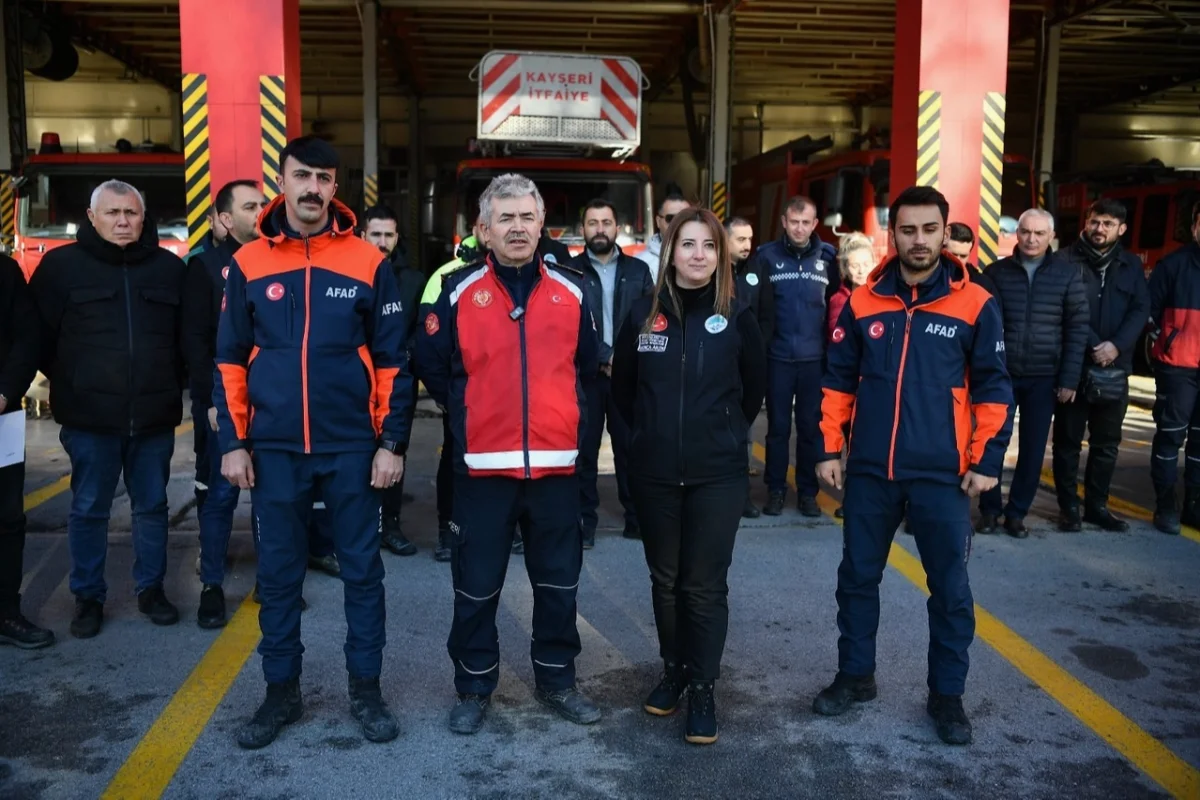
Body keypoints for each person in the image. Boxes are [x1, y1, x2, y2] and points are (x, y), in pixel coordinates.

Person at [214, 135, 414, 749]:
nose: (312, 188)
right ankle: (281, 692)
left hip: (352, 446)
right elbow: (229, 359)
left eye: (324, 178)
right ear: (282, 180)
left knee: (363, 574)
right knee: (278, 578)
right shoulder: (248, 262)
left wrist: (391, 443)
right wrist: (233, 441)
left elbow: (393, 362)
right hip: (274, 448)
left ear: (335, 187)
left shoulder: (368, 261)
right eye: (302, 175)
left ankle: (366, 691)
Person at [814, 185, 1013, 747]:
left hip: (943, 474)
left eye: (929, 230)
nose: (919, 240)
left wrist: (986, 459)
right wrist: (828, 447)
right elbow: (838, 380)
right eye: (908, 230)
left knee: (949, 590)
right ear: (893, 234)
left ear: (945, 233)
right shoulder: (863, 301)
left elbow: (995, 388)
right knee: (857, 579)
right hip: (871, 470)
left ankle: (947, 696)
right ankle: (856, 676)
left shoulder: (977, 303)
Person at [416, 172, 602, 736]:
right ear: (484, 229)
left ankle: (557, 680)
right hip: (481, 473)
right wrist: (471, 414)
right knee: (476, 587)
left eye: (526, 217)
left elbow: (587, 367)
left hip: (556, 470)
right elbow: (431, 364)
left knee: (558, 585)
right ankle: (474, 686)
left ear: (542, 225)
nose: (517, 227)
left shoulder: (575, 288)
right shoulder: (456, 290)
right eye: (506, 218)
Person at [612, 207, 766, 745]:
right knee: (665, 582)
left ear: (720, 255)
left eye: (708, 245)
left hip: (717, 476)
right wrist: (642, 442)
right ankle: (673, 671)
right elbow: (623, 393)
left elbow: (753, 391)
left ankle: (702, 686)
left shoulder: (738, 315)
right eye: (687, 244)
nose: (698, 254)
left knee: (702, 586)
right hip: (654, 474)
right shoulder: (642, 313)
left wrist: (722, 433)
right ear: (670, 252)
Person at [30, 179, 188, 639]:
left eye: (131, 213)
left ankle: (151, 590)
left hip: (153, 417)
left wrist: (166, 381)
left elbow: (186, 340)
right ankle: (88, 597)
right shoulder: (60, 268)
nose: (123, 221)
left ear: (143, 218)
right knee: (88, 509)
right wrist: (77, 379)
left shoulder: (168, 269)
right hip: (89, 418)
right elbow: (39, 339)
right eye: (113, 213)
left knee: (152, 506)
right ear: (92, 217)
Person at [182, 179, 268, 628]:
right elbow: (196, 343)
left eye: (263, 204)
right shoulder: (206, 268)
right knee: (220, 496)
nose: (261, 211)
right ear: (226, 219)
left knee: (270, 498)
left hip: (272, 403)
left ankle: (270, 583)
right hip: (224, 403)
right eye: (250, 206)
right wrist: (210, 402)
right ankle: (212, 587)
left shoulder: (277, 259)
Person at [980, 209, 1089, 537]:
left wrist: (1069, 379)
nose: (1031, 239)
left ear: (1051, 237)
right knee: (991, 442)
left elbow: (1077, 328)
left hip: (1045, 377)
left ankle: (1016, 514)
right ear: (1017, 233)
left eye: (1039, 233)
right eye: (1025, 232)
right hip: (1002, 374)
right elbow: (982, 326)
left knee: (1032, 448)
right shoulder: (996, 273)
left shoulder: (1067, 275)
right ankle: (989, 511)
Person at [1052, 199, 1149, 533]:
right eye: (1095, 221)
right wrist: (1095, 345)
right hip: (1075, 366)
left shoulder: (1131, 264)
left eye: (1108, 223)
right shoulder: (1065, 260)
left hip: (1114, 369)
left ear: (1121, 229)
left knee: (1106, 444)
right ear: (1086, 222)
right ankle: (1069, 508)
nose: (1099, 228)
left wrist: (1116, 346)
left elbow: (1141, 309)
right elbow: (1063, 309)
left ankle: (1097, 507)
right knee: (1067, 442)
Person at [571, 198, 652, 547]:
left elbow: (650, 320)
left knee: (631, 450)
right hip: (586, 377)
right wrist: (605, 355)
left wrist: (624, 357)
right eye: (593, 223)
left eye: (606, 222)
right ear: (583, 229)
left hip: (627, 376)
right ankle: (584, 523)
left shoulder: (639, 271)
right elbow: (568, 325)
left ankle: (636, 518)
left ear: (617, 228)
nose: (600, 229)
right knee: (584, 452)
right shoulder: (570, 271)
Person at [755, 196, 841, 517]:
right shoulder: (766, 257)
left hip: (813, 361)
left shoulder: (828, 258)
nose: (800, 229)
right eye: (794, 222)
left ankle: (807, 493)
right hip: (777, 359)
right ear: (784, 222)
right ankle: (776, 490)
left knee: (809, 429)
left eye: (806, 223)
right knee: (777, 428)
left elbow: (837, 305)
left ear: (815, 224)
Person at [418, 224, 486, 563]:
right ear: (479, 228)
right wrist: (448, 397)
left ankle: (507, 530)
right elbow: (428, 348)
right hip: (463, 399)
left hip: (509, 401)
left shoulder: (527, 272)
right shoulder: (446, 277)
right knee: (455, 465)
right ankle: (449, 531)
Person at [361, 203, 423, 557]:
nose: (382, 242)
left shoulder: (414, 281)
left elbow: (420, 333)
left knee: (394, 450)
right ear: (362, 235)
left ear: (397, 237)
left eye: (388, 235)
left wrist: (404, 359)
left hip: (398, 381)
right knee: (353, 455)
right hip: (354, 382)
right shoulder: (346, 275)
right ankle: (352, 529)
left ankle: (390, 526)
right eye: (376, 234)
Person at [0, 253, 54, 649]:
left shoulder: (4, 272)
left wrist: (5, 392)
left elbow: (28, 337)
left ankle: (6, 613)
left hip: (1, 417)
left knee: (7, 520)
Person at [1148, 199, 1200, 534]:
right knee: (1170, 438)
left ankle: (1194, 506)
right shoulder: (1173, 265)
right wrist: (1167, 344)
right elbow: (1148, 312)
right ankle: (1166, 506)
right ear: (1195, 227)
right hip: (1178, 367)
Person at [827, 232, 875, 521]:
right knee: (853, 445)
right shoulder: (838, 301)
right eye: (854, 265)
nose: (860, 270)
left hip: (875, 385)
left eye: (865, 264)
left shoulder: (884, 297)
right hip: (849, 385)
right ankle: (852, 499)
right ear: (845, 268)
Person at [728, 216, 765, 518]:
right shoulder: (712, 271)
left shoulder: (757, 269)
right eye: (740, 239)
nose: (747, 245)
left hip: (747, 366)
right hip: (721, 362)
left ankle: (742, 497)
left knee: (745, 433)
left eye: (750, 239)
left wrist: (756, 355)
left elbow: (767, 316)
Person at [636, 183, 692, 283]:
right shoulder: (640, 264)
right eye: (671, 218)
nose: (677, 224)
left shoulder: (704, 260)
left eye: (684, 218)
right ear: (658, 221)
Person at [945, 222, 998, 296]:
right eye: (953, 255)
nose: (957, 259)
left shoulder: (983, 284)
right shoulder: (929, 279)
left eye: (963, 256)